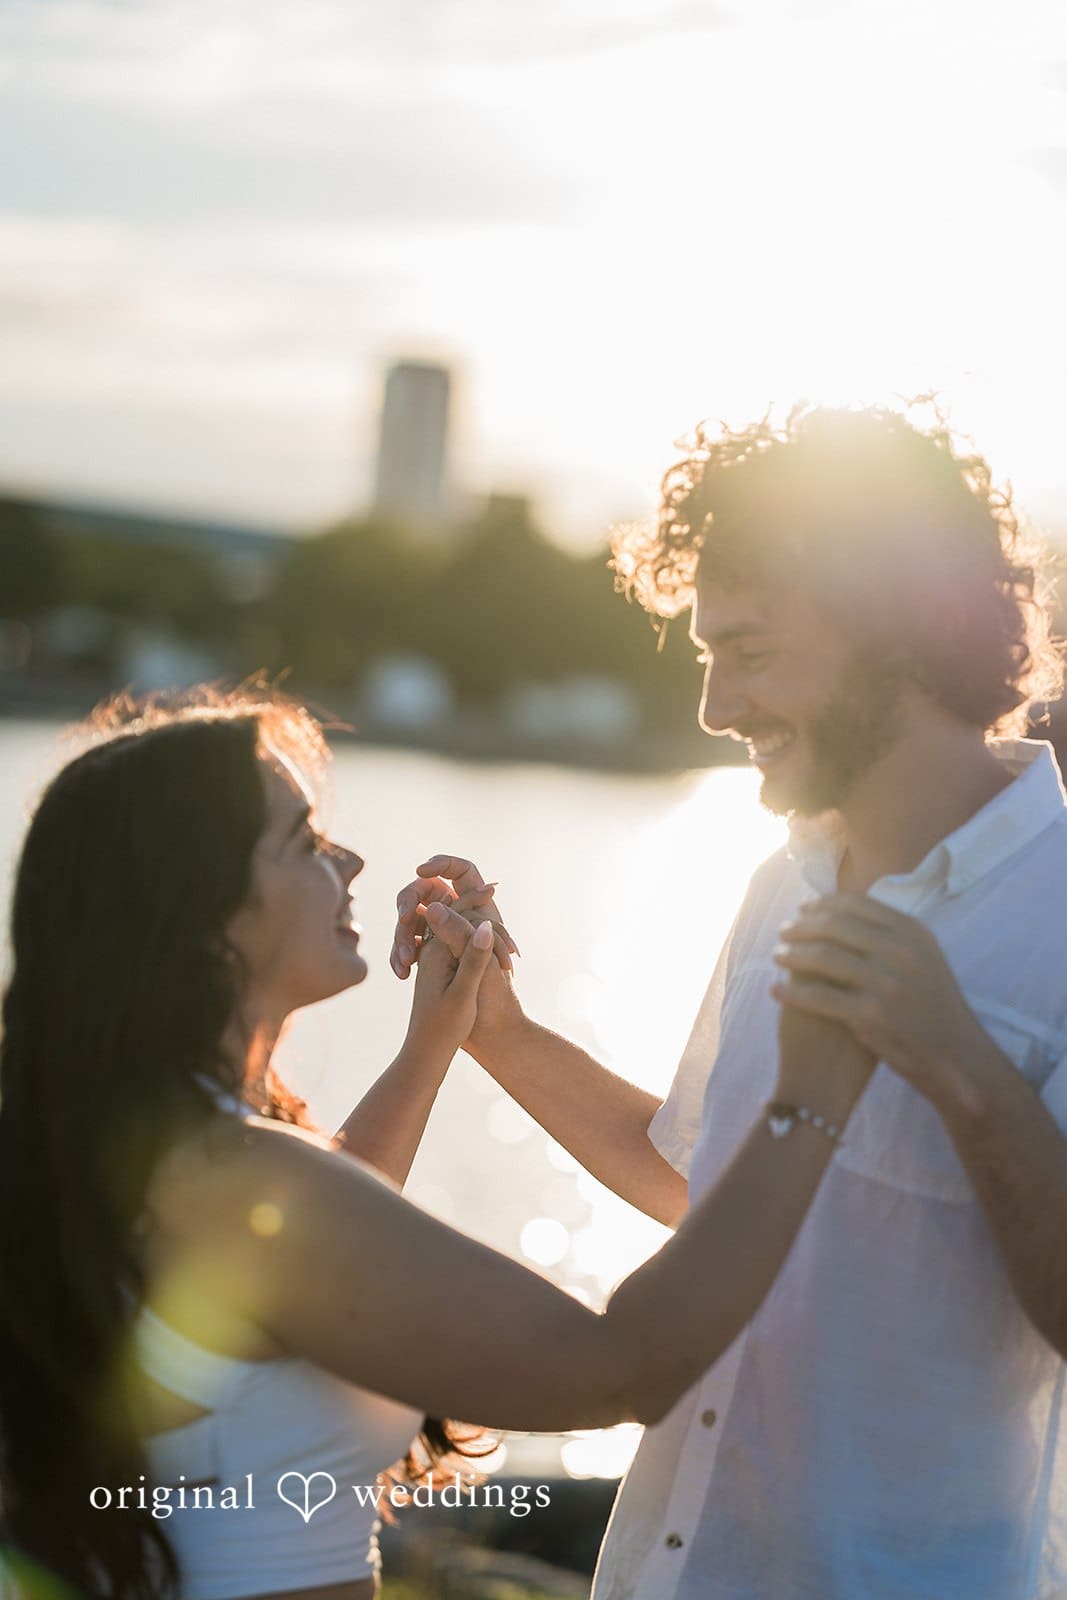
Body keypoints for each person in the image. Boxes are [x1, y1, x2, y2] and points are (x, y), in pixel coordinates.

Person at [392, 403, 1067, 1600]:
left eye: (747, 650)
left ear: (897, 633)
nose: (711, 705)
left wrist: (956, 1065)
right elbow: (699, 1183)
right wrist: (495, 1027)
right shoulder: (781, 878)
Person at [0, 686, 878, 1600]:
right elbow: (618, 1372)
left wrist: (450, 1036)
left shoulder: (134, 1144)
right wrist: (806, 1100)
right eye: (303, 842)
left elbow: (316, 1261)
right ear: (204, 910)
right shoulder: (235, 1176)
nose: (350, 859)